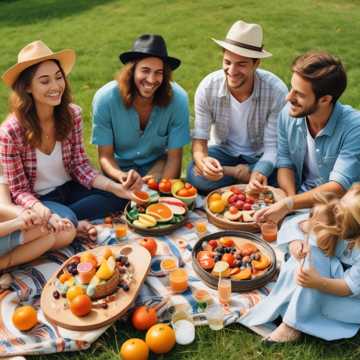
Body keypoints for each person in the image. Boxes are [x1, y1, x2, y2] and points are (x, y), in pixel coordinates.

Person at [0, 40, 140, 233]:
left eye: (59, 77)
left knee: (119, 196)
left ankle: (66, 221)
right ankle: (65, 221)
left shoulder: (71, 115)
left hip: (72, 188)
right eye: (44, 81)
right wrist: (43, 211)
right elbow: (19, 190)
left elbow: (79, 165)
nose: (56, 86)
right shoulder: (10, 132)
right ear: (27, 87)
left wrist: (115, 187)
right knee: (67, 219)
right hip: (40, 200)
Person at [241, 184, 360, 342]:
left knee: (311, 290)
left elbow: (348, 287)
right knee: (308, 255)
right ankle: (296, 311)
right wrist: (295, 243)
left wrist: (319, 282)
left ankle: (291, 325)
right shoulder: (340, 217)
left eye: (342, 224)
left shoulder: (348, 226)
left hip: (350, 299)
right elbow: (298, 224)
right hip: (331, 275)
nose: (336, 224)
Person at [255, 51, 360, 225]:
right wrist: (290, 202)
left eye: (300, 94)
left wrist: (288, 205)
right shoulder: (287, 116)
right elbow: (285, 163)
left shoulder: (354, 127)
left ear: (325, 100)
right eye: (291, 88)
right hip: (301, 196)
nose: (289, 98)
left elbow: (337, 187)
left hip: (341, 205)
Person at [187, 20, 287, 193]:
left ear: (256, 64)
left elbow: (273, 148)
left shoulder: (276, 91)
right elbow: (200, 140)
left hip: (260, 155)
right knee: (195, 175)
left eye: (241, 64)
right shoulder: (208, 87)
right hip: (224, 152)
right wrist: (203, 161)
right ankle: (244, 178)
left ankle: (241, 177)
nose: (232, 71)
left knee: (284, 171)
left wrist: (259, 170)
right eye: (227, 62)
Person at [91, 34, 190, 186]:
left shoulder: (178, 100)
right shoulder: (105, 99)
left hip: (158, 168)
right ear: (132, 71)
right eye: (145, 70)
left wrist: (161, 192)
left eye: (159, 72)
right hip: (119, 170)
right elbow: (105, 156)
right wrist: (122, 177)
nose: (151, 79)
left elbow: (174, 157)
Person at [0, 165, 75, 271]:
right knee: (64, 225)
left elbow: (4, 207)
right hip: (12, 237)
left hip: (13, 225)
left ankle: (47, 223)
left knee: (68, 231)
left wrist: (26, 215)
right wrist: (20, 222)